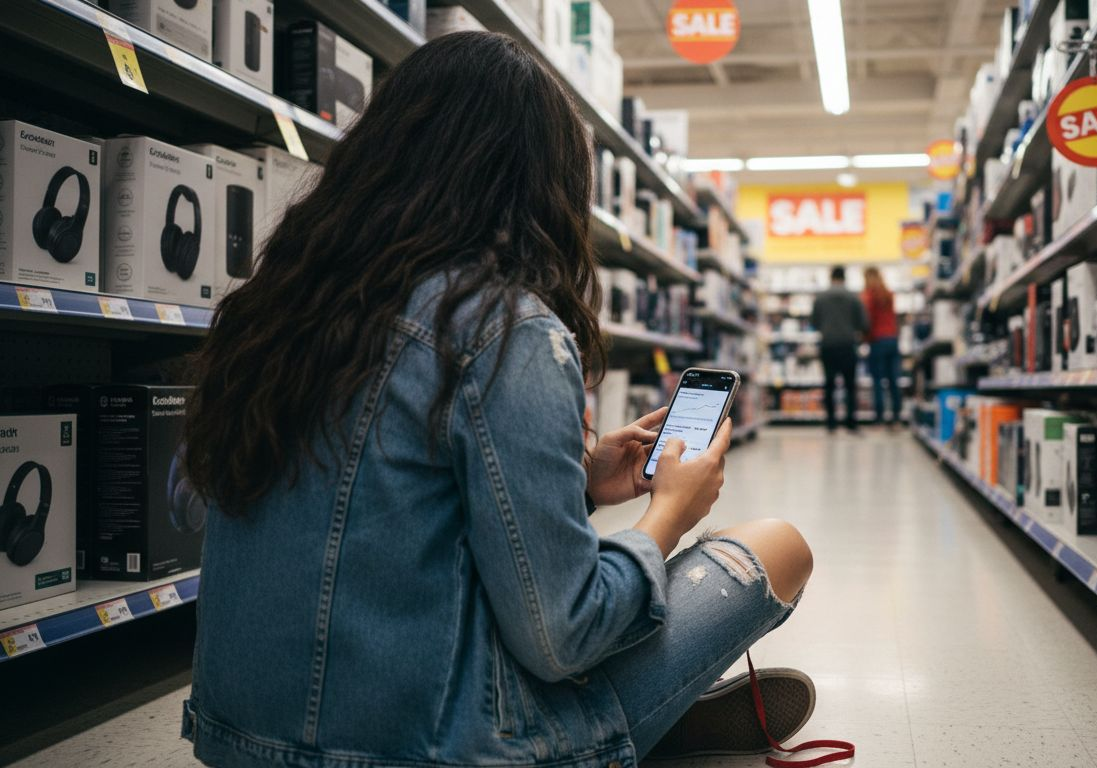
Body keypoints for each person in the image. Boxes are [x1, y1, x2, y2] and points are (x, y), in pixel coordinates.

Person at [179, 32, 815, 768]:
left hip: (237, 740)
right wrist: (671, 510)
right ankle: (637, 715)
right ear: (541, 185)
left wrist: (581, 481)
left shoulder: (275, 309)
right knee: (778, 545)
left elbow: (392, 512)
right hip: (429, 748)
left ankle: (656, 706)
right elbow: (562, 635)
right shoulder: (502, 328)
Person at [811, 265, 868, 433]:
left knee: (829, 384)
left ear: (831, 277)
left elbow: (814, 322)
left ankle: (831, 423)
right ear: (845, 277)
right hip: (848, 345)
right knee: (850, 385)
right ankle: (851, 422)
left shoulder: (821, 297)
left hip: (828, 345)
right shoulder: (853, 297)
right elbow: (863, 323)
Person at [862, 267, 902, 429]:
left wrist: (865, 338)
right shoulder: (888, 294)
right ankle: (896, 418)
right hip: (892, 340)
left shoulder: (868, 296)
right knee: (893, 380)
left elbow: (867, 321)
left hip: (877, 341)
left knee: (877, 381)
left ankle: (879, 419)